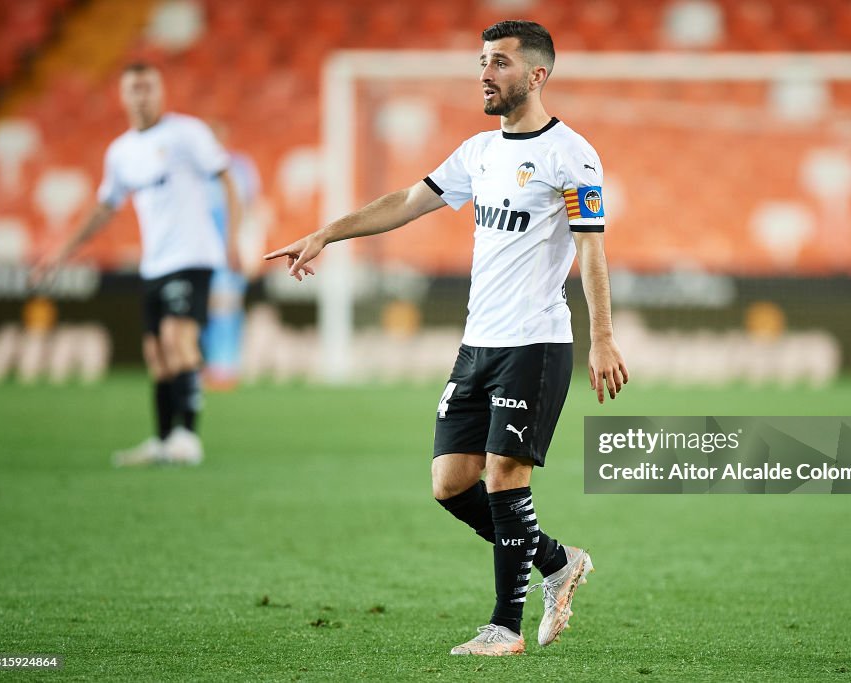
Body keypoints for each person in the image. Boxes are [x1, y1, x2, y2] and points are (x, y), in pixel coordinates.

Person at [265, 20, 628, 656]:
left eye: (500, 63)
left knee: (504, 477)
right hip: (477, 344)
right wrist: (328, 232)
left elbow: (591, 250)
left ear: (536, 76)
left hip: (535, 346)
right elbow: (407, 201)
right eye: (483, 62)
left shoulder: (572, 154)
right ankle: (560, 562)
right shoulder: (478, 153)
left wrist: (602, 337)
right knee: (450, 482)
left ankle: (503, 628)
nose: (485, 74)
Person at [33, 62, 240, 467]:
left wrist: (231, 239)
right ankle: (163, 440)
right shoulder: (121, 152)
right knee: (155, 352)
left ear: (161, 92)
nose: (142, 95)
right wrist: (62, 251)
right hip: (155, 262)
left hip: (194, 255)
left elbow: (227, 180)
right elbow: (104, 207)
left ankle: (188, 438)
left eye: (149, 87)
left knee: (177, 339)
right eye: (134, 88)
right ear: (123, 95)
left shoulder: (186, 133)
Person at [202, 121, 261, 390]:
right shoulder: (196, 170)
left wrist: (250, 245)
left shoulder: (240, 167)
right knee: (204, 306)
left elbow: (252, 208)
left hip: (231, 248)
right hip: (202, 248)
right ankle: (209, 364)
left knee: (226, 305)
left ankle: (226, 366)